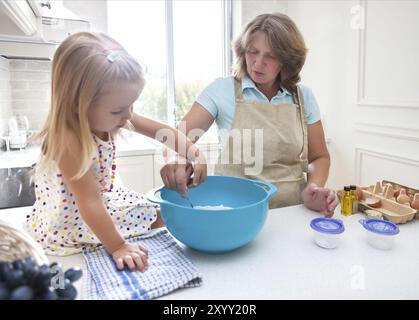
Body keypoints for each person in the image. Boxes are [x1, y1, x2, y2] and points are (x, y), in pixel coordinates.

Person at [24, 32, 207, 272]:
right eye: (119, 110)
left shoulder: (112, 112)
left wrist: (195, 154)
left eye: (132, 105)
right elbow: (88, 202)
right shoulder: (67, 140)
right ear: (79, 104)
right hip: (71, 221)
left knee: (161, 214)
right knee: (159, 218)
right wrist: (119, 246)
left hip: (99, 203)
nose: (129, 115)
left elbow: (163, 131)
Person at [160, 13, 338, 216]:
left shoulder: (303, 96)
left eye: (270, 56)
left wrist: (313, 187)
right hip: (235, 212)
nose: (258, 63)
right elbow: (175, 139)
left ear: (287, 60)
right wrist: (174, 159)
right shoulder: (221, 90)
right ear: (243, 50)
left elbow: (319, 156)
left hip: (292, 211)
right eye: (253, 52)